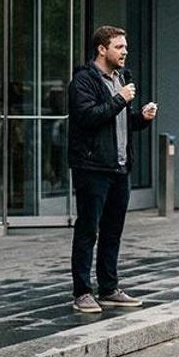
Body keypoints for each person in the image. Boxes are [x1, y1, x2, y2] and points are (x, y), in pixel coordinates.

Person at [67, 25, 156, 314]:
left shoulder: (121, 79)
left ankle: (108, 288)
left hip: (119, 167)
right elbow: (88, 118)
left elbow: (119, 120)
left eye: (125, 47)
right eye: (119, 46)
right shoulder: (83, 81)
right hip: (92, 167)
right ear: (101, 49)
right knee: (87, 230)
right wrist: (120, 100)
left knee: (112, 231)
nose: (125, 51)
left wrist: (140, 118)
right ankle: (82, 292)